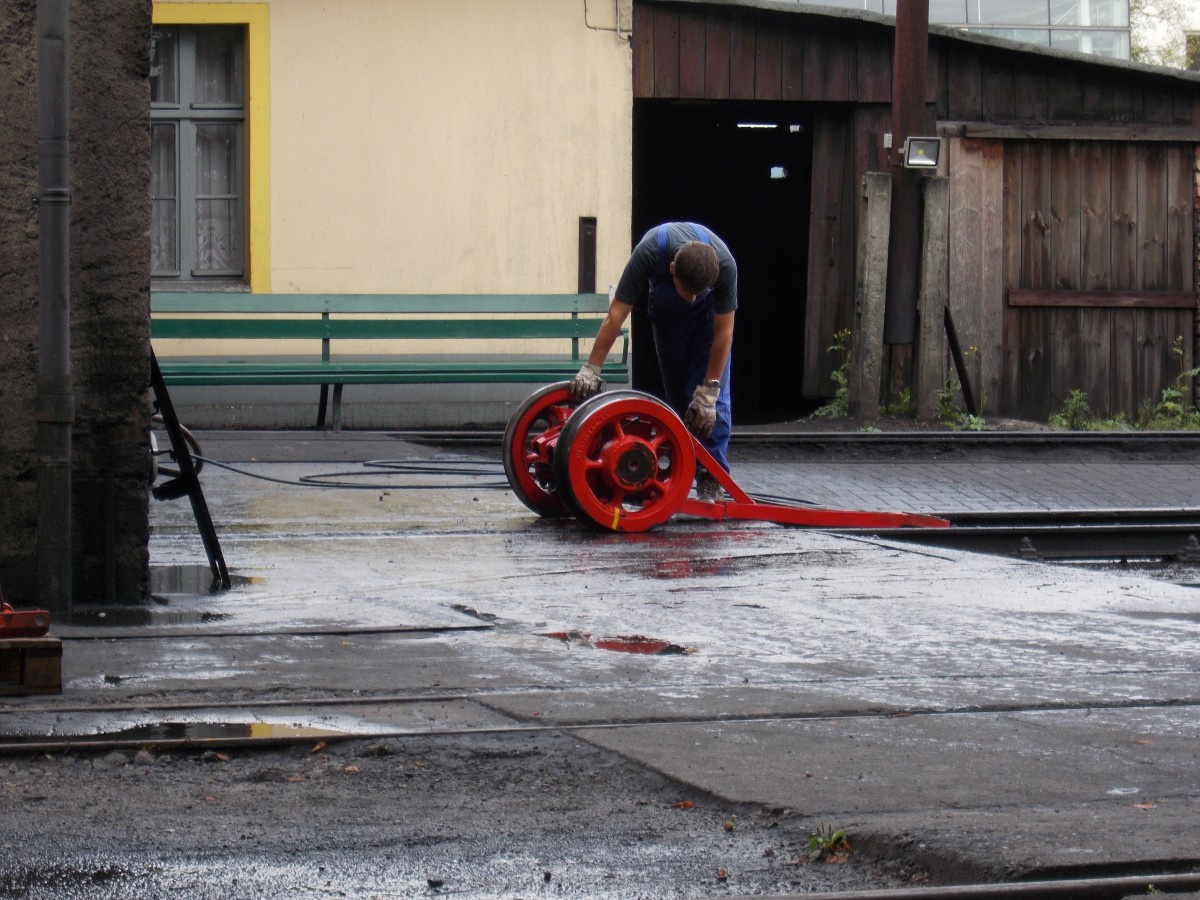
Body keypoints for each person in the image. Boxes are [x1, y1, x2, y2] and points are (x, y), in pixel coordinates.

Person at [568, 222, 737, 499]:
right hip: (668, 316)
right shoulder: (648, 252)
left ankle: (710, 475)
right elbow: (616, 315)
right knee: (679, 393)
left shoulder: (725, 265)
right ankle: (683, 463)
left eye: (699, 293)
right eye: (688, 292)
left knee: (711, 400)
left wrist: (710, 389)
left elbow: (724, 334)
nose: (693, 299)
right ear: (672, 268)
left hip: (710, 323)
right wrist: (591, 368)